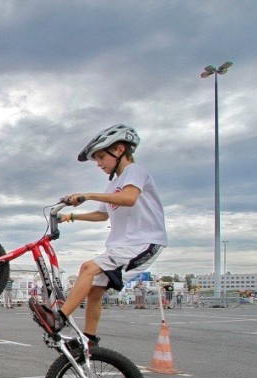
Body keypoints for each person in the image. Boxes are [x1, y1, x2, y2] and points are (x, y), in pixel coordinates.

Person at [29, 124, 167, 353]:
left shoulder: (135, 171)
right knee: (94, 289)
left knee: (87, 268)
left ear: (120, 149)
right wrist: (70, 216)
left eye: (102, 157)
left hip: (144, 241)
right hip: (125, 243)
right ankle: (90, 339)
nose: (100, 164)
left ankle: (59, 318)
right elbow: (102, 214)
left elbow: (130, 198)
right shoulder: (114, 184)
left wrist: (88, 194)